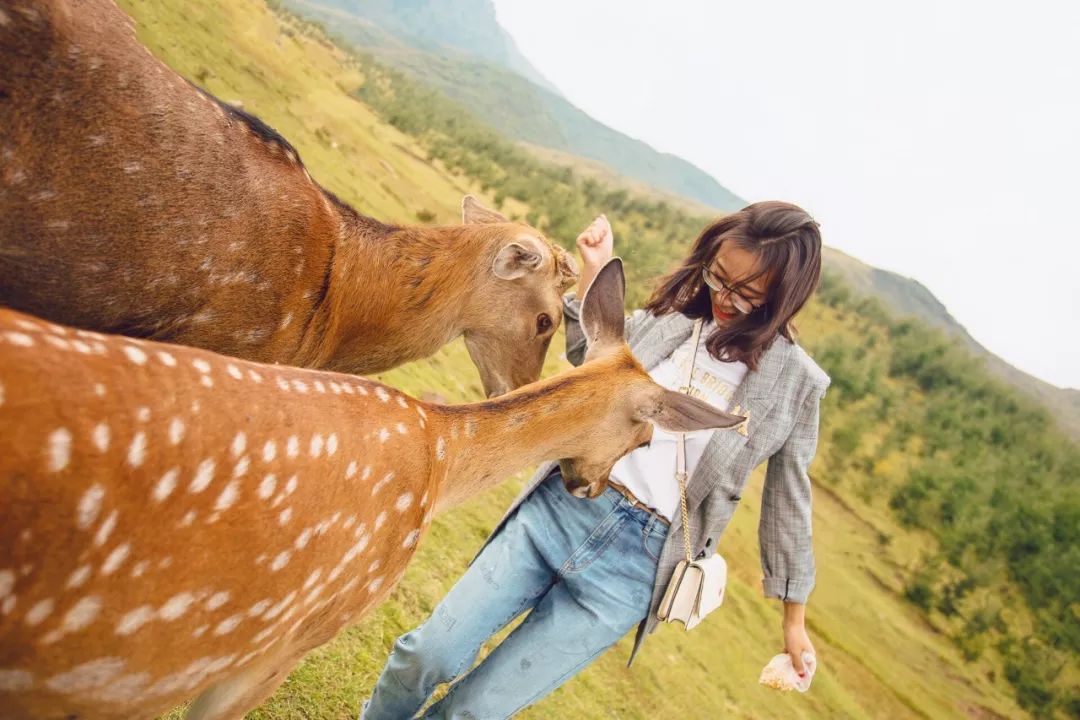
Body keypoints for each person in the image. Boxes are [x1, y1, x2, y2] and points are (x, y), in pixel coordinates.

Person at [361, 201, 830, 719]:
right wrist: (593, 266)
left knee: (474, 712)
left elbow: (790, 504)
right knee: (427, 655)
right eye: (718, 277)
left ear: (783, 298)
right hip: (561, 510)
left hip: (635, 569)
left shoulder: (796, 385)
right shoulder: (670, 321)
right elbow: (590, 354)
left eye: (747, 294)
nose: (725, 298)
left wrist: (794, 622)